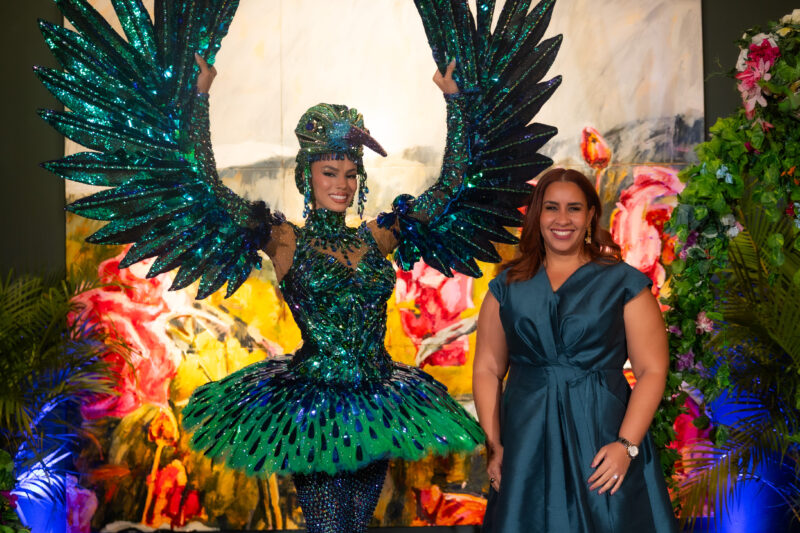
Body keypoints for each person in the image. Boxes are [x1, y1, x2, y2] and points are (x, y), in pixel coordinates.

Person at [180, 58, 484, 532]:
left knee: (356, 525)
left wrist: (454, 102)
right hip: (313, 408)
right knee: (328, 527)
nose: (341, 185)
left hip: (378, 401)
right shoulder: (284, 241)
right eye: (329, 173)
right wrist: (199, 98)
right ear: (308, 176)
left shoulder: (377, 236)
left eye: (349, 173)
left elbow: (451, 188)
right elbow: (207, 189)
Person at [473, 168, 678, 532]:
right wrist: (495, 445)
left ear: (589, 216)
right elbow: (488, 368)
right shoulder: (506, 286)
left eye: (574, 208)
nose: (562, 219)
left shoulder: (624, 283)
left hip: (602, 436)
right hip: (526, 440)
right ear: (537, 216)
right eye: (552, 208)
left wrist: (626, 446)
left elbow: (652, 371)